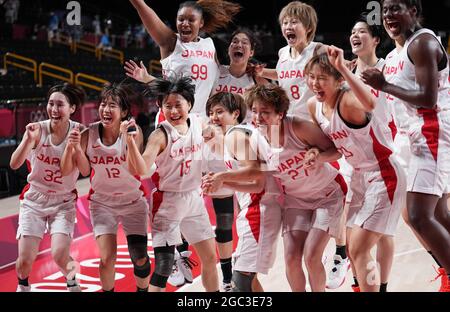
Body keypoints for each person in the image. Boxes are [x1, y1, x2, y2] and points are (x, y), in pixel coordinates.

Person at [361, 0, 450, 292]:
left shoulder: (423, 43)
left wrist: (384, 84)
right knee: (434, 215)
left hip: (431, 132)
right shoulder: (397, 51)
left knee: (419, 215)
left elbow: (427, 98)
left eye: (395, 8)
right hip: (411, 137)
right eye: (385, 11)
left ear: (413, 10)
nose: (388, 16)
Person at [240, 84, 347, 292]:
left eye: (265, 112)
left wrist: (319, 157)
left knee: (312, 256)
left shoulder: (298, 127)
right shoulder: (254, 139)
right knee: (290, 258)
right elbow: (257, 177)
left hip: (327, 195)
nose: (258, 117)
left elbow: (337, 150)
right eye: (254, 111)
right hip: (295, 201)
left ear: (280, 114)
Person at [123, 76, 219, 292]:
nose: (174, 111)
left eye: (178, 105)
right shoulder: (160, 134)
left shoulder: (198, 122)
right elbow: (141, 169)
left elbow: (214, 138)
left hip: (194, 198)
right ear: (161, 107)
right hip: (168, 202)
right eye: (168, 106)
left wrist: (214, 135)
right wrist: (130, 143)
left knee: (211, 257)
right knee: (164, 266)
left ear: (190, 104)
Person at [325, 14, 396, 292]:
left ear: (376, 39)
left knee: (383, 233)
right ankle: (356, 280)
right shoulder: (347, 74)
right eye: (352, 32)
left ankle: (383, 286)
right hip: (356, 158)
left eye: (362, 31)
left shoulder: (387, 68)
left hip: (385, 153)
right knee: (354, 229)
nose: (355, 36)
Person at [60, 84, 151, 292]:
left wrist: (129, 140)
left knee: (140, 258)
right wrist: (72, 148)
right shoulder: (88, 133)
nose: (105, 109)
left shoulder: (133, 132)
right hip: (102, 203)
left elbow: (138, 169)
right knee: (107, 259)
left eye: (112, 105)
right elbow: (74, 171)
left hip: (133, 202)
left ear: (124, 112)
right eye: (103, 104)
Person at [201, 92, 282, 292]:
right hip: (256, 206)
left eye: (220, 112)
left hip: (260, 210)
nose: (213, 117)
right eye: (211, 113)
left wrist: (222, 178)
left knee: (240, 281)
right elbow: (255, 182)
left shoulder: (235, 135)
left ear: (235, 113)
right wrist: (221, 181)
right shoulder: (235, 135)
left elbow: (257, 175)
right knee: (250, 280)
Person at [10, 83, 85, 292]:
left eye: (60, 104)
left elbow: (85, 169)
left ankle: (72, 280)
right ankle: (23, 284)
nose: (53, 109)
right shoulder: (36, 129)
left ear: (72, 108)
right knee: (24, 262)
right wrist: (28, 141)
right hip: (35, 199)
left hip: (63, 201)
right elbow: (14, 164)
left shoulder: (80, 131)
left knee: (60, 255)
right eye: (51, 103)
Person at [129, 0, 240, 118]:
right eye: (181, 19)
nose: (185, 23)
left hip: (201, 119)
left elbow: (219, 76)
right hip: (173, 117)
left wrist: (246, 69)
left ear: (201, 22)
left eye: (191, 20)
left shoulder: (209, 44)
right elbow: (142, 8)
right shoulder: (171, 42)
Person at [253, 1, 325, 119]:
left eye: (294, 22)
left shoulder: (317, 49)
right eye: (285, 23)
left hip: (311, 118)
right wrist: (262, 72)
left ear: (308, 28)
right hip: (287, 116)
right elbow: (282, 74)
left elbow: (340, 62)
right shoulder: (283, 52)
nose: (288, 26)